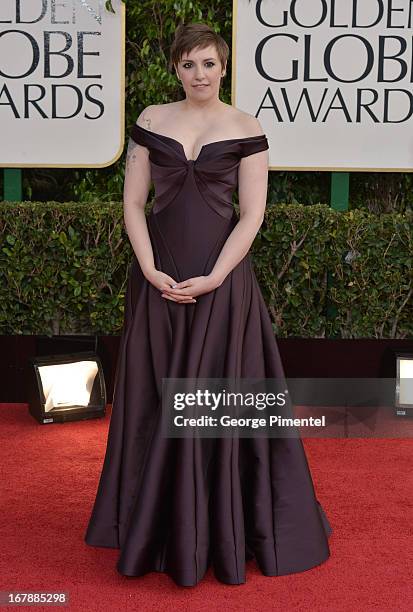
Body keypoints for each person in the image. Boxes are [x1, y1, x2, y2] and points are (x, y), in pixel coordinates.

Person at [84, 22, 332, 587]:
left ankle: (219, 527)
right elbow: (132, 203)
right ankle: (153, 522)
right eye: (190, 64)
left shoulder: (246, 128)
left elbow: (252, 215)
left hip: (221, 285)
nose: (200, 75)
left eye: (210, 65)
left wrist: (215, 277)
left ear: (224, 69)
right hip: (159, 277)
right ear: (175, 68)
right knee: (155, 394)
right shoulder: (151, 120)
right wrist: (149, 269)